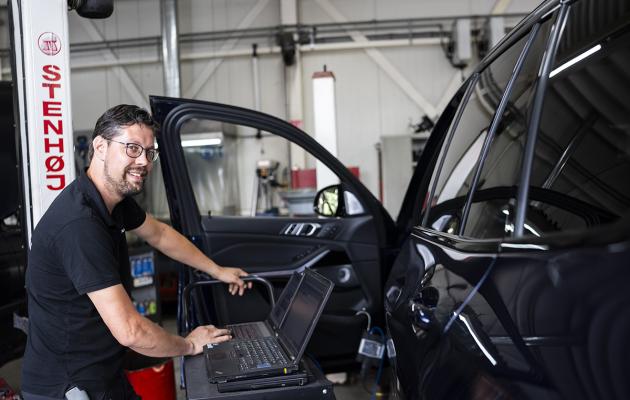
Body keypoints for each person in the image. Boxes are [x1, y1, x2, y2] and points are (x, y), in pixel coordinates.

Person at [21, 105, 250, 399]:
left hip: (102, 372)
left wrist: (218, 270)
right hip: (68, 387)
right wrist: (189, 345)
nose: (143, 161)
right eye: (132, 148)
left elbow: (160, 234)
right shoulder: (79, 226)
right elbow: (130, 331)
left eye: (148, 151)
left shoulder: (111, 200)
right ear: (100, 147)